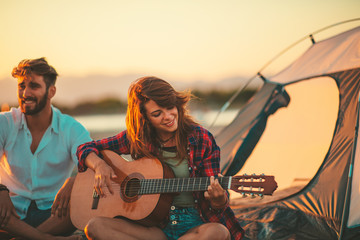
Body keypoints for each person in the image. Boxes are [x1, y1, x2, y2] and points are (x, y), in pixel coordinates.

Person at [76, 76, 244, 240]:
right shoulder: (138, 139)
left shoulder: (200, 138)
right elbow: (85, 148)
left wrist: (219, 200)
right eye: (157, 113)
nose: (168, 116)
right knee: (95, 227)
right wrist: (99, 165)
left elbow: (216, 199)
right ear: (145, 118)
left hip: (195, 226)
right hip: (154, 228)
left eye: (170, 107)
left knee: (218, 233)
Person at [0, 57, 91, 239]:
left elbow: (93, 164)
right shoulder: (5, 123)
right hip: (10, 211)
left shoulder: (71, 128)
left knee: (84, 201)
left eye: (34, 86)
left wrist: (73, 182)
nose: (25, 93)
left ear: (51, 91)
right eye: (21, 86)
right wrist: (1, 190)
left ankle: (25, 236)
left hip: (55, 213)